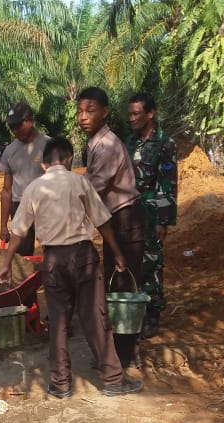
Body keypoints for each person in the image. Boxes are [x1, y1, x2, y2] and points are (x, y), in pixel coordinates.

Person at [0, 138, 143, 397]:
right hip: (83, 256)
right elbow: (102, 222)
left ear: (43, 165)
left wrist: (6, 264)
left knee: (59, 323)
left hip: (52, 261)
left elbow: (18, 231)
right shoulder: (80, 182)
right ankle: (113, 380)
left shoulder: (33, 188)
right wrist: (118, 255)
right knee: (96, 317)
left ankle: (61, 384)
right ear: (68, 159)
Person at [77, 86, 148, 369]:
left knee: (123, 288)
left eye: (90, 111)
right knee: (116, 282)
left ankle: (125, 354)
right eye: (80, 111)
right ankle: (120, 351)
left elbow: (92, 190)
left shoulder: (105, 145)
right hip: (114, 219)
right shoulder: (96, 141)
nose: (83, 117)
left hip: (125, 219)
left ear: (105, 112)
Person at [126, 92, 178, 339]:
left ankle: (153, 312)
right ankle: (133, 309)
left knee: (151, 262)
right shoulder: (130, 142)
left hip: (151, 210)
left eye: (136, 113)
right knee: (130, 262)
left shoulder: (164, 143)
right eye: (130, 113)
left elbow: (167, 183)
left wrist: (162, 221)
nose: (132, 118)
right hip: (129, 210)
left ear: (150, 114)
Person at [0, 102, 51, 257]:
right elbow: (7, 190)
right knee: (21, 256)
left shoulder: (49, 145)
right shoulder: (9, 151)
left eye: (18, 125)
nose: (15, 131)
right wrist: (3, 226)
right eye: (11, 127)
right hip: (20, 207)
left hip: (46, 205)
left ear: (30, 120)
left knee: (53, 249)